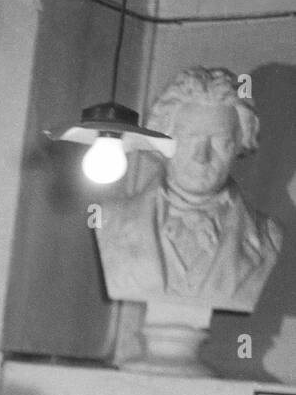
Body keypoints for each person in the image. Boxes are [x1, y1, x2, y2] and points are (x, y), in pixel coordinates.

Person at [95, 67, 282, 311]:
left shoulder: (269, 237)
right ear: (162, 140)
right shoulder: (107, 221)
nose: (201, 156)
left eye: (220, 142)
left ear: (240, 145)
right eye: (188, 139)